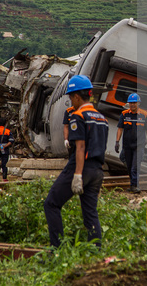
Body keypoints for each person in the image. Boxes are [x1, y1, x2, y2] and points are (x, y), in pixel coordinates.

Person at [44, 75, 108, 248]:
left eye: (71, 97)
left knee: (51, 203)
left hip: (81, 166)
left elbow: (80, 147)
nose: (71, 101)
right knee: (90, 212)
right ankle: (96, 250)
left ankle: (56, 249)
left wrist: (77, 174)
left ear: (77, 97)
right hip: (97, 171)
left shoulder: (78, 116)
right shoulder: (102, 118)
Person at [115, 93, 147, 193]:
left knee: (135, 167)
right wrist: (117, 142)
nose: (132, 105)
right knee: (128, 165)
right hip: (127, 146)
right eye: (131, 103)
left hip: (139, 146)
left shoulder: (144, 115)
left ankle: (135, 186)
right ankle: (133, 185)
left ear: (139, 103)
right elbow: (120, 128)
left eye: (134, 103)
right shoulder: (124, 114)